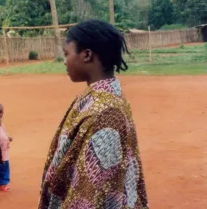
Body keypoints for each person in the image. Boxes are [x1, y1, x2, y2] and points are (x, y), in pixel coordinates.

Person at [38, 20, 148, 208]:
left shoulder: (104, 112)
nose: (65, 61)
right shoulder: (102, 98)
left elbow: (90, 192)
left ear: (87, 55)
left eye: (67, 54)